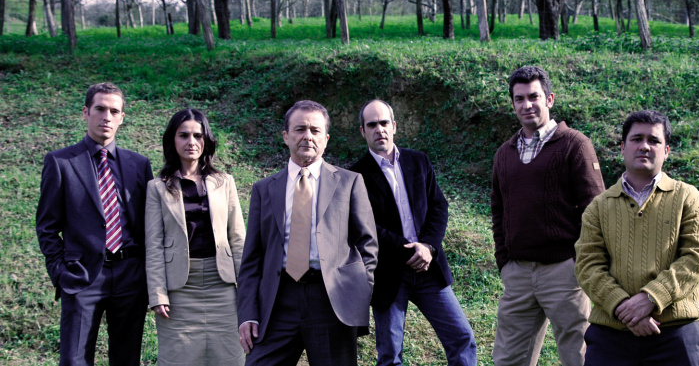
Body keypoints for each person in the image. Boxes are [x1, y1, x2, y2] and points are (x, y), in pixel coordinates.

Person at [237, 100, 378, 366]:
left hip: (331, 301)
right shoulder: (264, 189)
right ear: (286, 136)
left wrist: (358, 289)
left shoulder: (349, 182)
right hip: (276, 302)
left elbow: (368, 244)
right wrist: (247, 313)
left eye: (315, 130)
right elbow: (252, 258)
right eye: (300, 129)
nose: (307, 136)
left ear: (326, 138)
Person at [575, 110, 699, 365]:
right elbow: (588, 265)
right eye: (637, 139)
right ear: (623, 147)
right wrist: (624, 307)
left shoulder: (689, 198)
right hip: (612, 333)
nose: (645, 146)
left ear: (667, 150)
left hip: (675, 332)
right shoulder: (598, 206)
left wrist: (651, 298)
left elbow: (698, 258)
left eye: (654, 140)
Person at [491, 66, 606, 366]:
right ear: (513, 104)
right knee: (508, 359)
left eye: (534, 96)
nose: (527, 105)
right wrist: (504, 261)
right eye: (519, 99)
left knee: (579, 356)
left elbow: (596, 211)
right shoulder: (505, 154)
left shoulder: (575, 145)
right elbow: (498, 210)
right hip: (518, 274)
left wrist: (580, 263)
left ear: (550, 99)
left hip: (565, 272)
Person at [349, 100, 476, 366]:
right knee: (390, 354)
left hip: (428, 267)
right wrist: (408, 250)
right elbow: (365, 226)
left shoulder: (418, 161)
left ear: (394, 126)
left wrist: (428, 246)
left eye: (384, 123)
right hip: (388, 274)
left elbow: (439, 206)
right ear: (362, 131)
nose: (379, 129)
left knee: (462, 338)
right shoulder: (356, 176)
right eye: (372, 125)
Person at [36, 82, 153, 365]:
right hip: (82, 277)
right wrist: (60, 273)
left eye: (114, 111)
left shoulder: (139, 164)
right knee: (74, 360)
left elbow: (150, 224)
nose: (107, 117)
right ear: (86, 112)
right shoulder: (61, 162)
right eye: (100, 109)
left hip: (130, 275)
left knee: (126, 360)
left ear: (122, 117)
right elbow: (47, 226)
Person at [145, 108, 246, 365]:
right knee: (177, 359)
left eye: (197, 135)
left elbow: (237, 238)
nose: (191, 142)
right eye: (184, 135)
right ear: (173, 140)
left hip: (222, 286)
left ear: (206, 140)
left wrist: (247, 289)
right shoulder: (157, 187)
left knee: (229, 358)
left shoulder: (224, 182)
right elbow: (154, 244)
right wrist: (157, 294)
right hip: (179, 289)